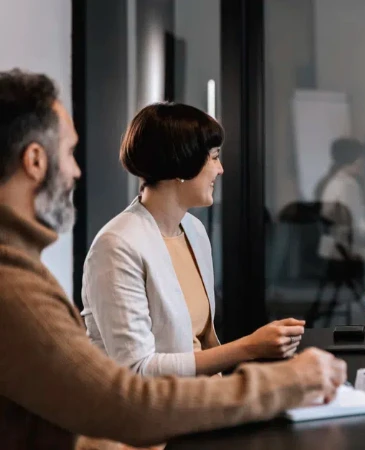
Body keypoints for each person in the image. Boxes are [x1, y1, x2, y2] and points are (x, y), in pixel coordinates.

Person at [0, 69, 346, 449]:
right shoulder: (20, 283)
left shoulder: (193, 232)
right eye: (68, 152)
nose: (76, 170)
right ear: (34, 160)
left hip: (188, 418)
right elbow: (126, 397)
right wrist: (282, 379)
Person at [80, 103, 307, 377]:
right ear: (182, 163)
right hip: (154, 413)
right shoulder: (116, 246)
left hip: (201, 400)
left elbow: (202, 343)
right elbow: (137, 370)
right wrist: (249, 347)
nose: (220, 169)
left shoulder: (193, 230)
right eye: (213, 157)